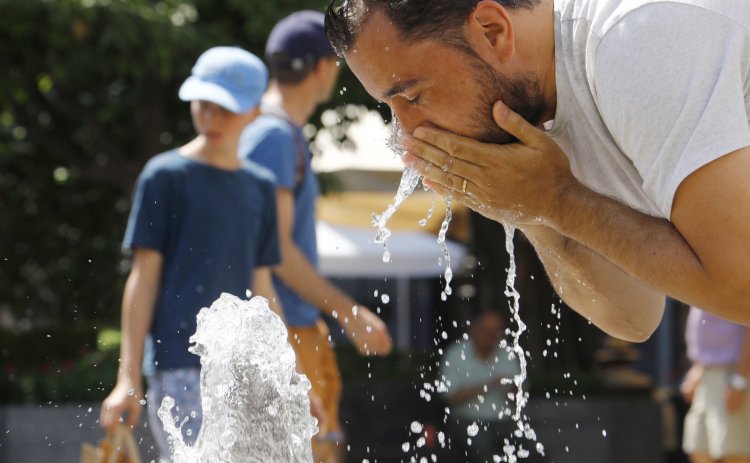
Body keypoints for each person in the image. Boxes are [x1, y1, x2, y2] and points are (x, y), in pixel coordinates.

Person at [324, 0, 750, 341]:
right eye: (390, 108)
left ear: (493, 30)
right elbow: (633, 317)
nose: (405, 135)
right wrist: (531, 208)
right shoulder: (542, 99)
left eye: (413, 97)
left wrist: (559, 201)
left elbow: (741, 286)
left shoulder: (634, 38)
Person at [99, 46, 282, 462]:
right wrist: (127, 376)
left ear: (254, 110)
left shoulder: (261, 186)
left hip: (247, 371)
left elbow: (263, 286)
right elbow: (143, 278)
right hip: (178, 362)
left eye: (226, 108)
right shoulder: (164, 176)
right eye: (204, 104)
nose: (211, 118)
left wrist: (289, 374)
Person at [238, 10, 393, 463]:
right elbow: (276, 250)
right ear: (323, 67)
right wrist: (349, 311)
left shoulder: (268, 132)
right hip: (286, 331)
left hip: (288, 328)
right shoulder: (273, 136)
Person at [440, 310, 521, 463]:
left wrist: (513, 389)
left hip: (503, 421)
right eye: (487, 331)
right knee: (482, 449)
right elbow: (450, 397)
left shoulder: (506, 353)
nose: (491, 335)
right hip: (467, 420)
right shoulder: (456, 354)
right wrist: (490, 385)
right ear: (474, 330)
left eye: (496, 331)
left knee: (529, 448)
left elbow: (519, 395)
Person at [681, 306, 750, 463]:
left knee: (734, 453)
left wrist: (740, 381)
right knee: (698, 448)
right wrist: (698, 367)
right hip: (706, 372)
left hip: (734, 374)